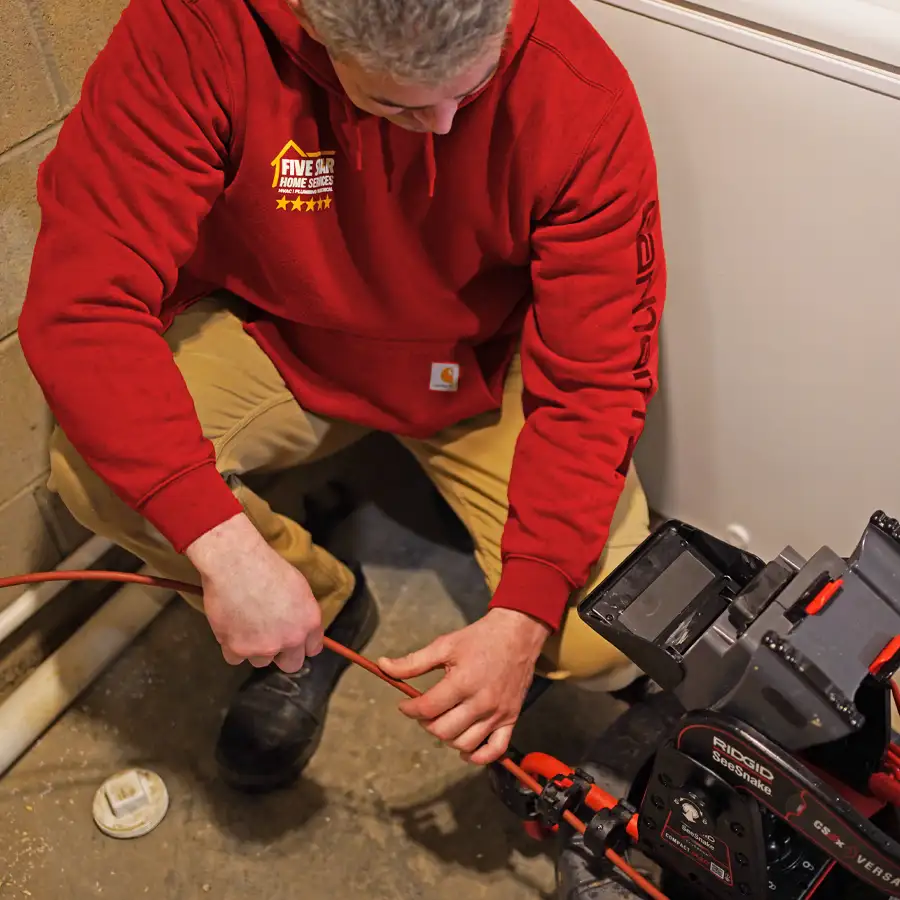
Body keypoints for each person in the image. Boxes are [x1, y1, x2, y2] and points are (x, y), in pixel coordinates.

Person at [19, 0, 666, 792]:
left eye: (472, 90)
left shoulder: (577, 91)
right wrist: (225, 549)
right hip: (286, 340)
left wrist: (526, 613)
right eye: (396, 102)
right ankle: (319, 612)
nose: (439, 127)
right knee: (95, 473)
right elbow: (84, 305)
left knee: (601, 637)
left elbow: (596, 378)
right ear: (311, 24)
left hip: (476, 365)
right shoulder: (195, 32)